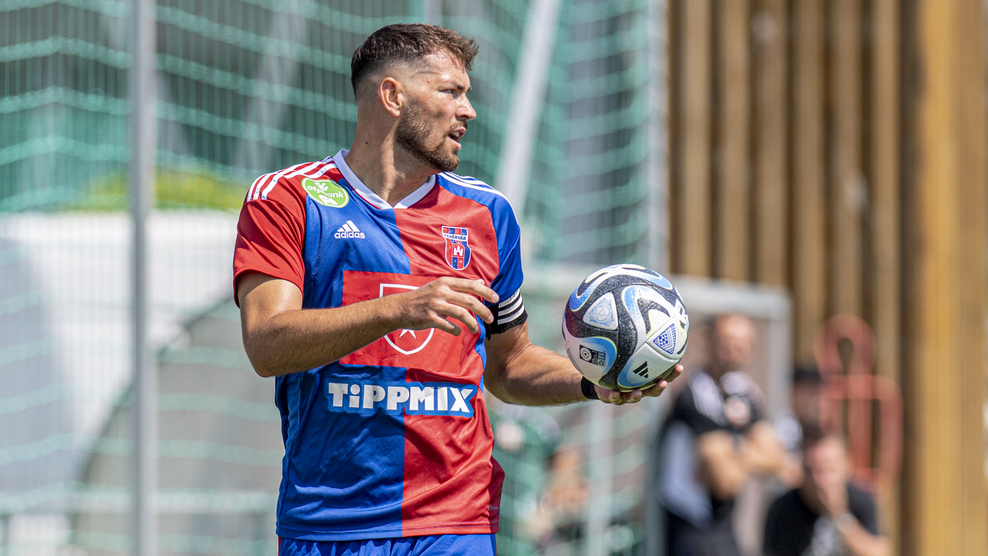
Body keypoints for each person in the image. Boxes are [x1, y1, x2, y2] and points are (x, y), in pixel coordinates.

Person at [232, 23, 681, 556]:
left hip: (456, 521)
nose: (468, 111)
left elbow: (510, 366)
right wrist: (398, 309)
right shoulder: (288, 199)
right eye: (450, 92)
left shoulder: (488, 214)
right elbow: (267, 344)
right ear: (392, 96)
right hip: (330, 524)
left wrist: (593, 382)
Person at [658, 313, 783, 556]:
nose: (733, 349)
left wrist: (731, 449)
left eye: (742, 343)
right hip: (691, 526)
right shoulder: (694, 392)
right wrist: (748, 447)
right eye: (727, 340)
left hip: (725, 524)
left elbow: (775, 460)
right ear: (708, 340)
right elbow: (725, 482)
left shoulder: (745, 390)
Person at [763, 426, 891, 556]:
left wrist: (840, 517)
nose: (819, 480)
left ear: (846, 465)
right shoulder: (783, 509)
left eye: (828, 469)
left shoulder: (861, 500)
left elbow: (880, 552)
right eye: (811, 470)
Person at [774, 365, 825, 486]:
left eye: (816, 393)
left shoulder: (811, 424)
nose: (816, 399)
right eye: (811, 392)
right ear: (796, 392)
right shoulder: (785, 425)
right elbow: (788, 473)